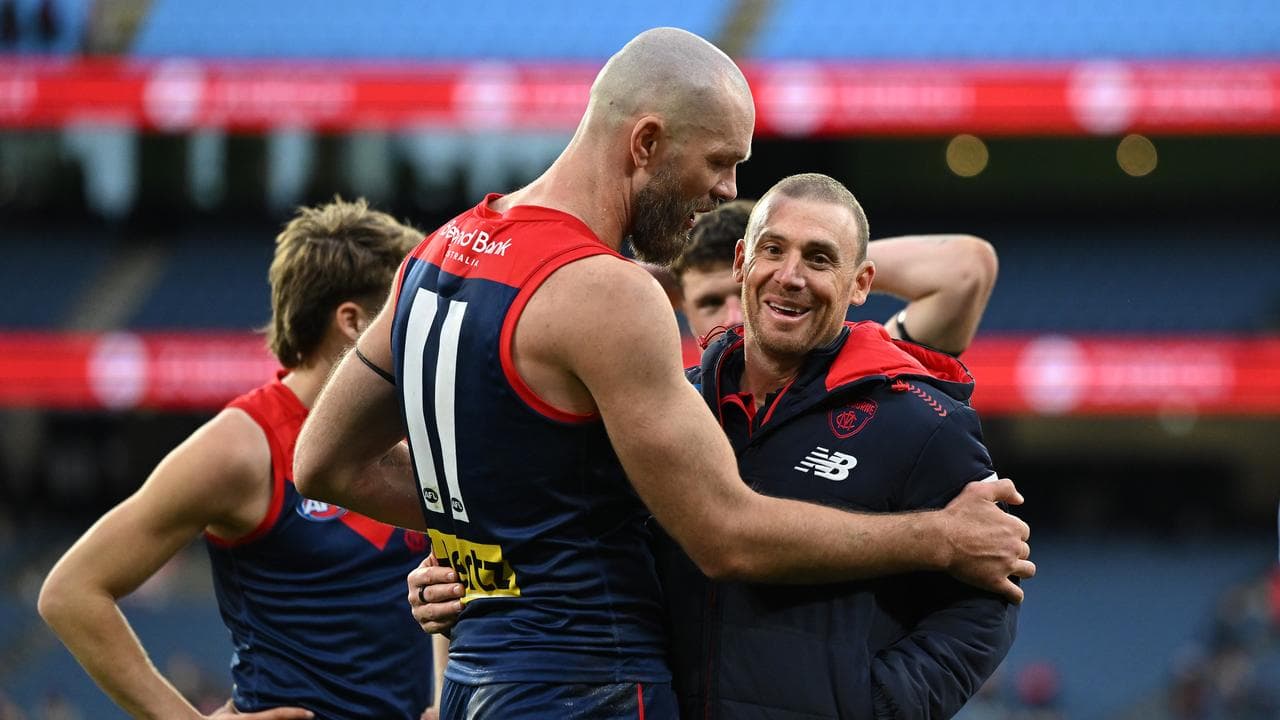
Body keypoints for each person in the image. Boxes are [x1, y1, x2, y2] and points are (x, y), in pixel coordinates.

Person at [294, 28, 1032, 719]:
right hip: (592, 682)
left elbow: (322, 463)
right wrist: (940, 539)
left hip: (478, 680)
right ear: (646, 142)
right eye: (719, 162)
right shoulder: (611, 293)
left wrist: (493, 543)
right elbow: (724, 535)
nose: (725, 191)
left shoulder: (439, 252)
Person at [413, 174, 1019, 718]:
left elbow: (989, 594)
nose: (789, 276)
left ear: (862, 283)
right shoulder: (666, 407)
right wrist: (469, 575)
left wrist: (882, 702)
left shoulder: (919, 417)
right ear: (739, 261)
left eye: (819, 258)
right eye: (772, 250)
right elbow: (575, 527)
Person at [38, 199, 439, 720]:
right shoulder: (243, 447)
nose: (417, 333)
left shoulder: (414, 432)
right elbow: (71, 592)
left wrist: (444, 696)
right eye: (401, 314)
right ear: (351, 320)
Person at [670, 199, 998, 353]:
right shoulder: (670, 411)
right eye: (710, 303)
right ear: (683, 307)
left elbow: (966, 268)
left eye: (745, 292)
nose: (731, 319)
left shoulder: (861, 386)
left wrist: (825, 266)